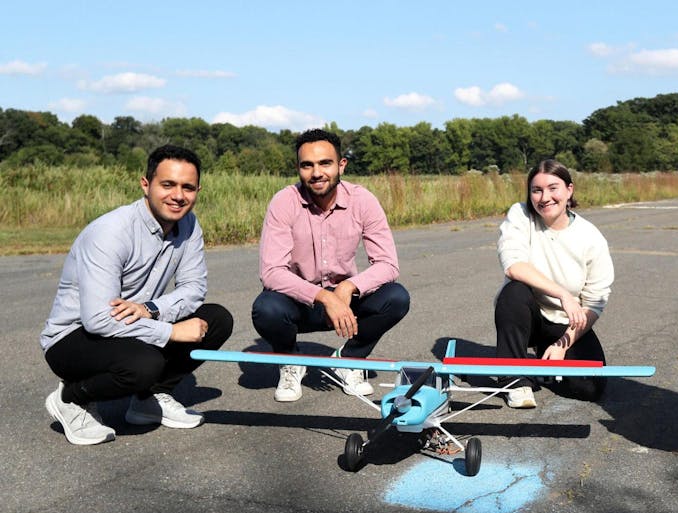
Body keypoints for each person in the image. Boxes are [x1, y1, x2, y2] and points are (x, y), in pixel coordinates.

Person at [41, 145, 234, 446]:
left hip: (130, 326)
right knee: (144, 364)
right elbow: (98, 321)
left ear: (198, 190)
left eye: (188, 187)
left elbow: (194, 288)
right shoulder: (110, 232)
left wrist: (151, 309)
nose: (178, 195)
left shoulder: (189, 224)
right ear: (146, 184)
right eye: (167, 184)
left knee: (216, 319)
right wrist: (171, 331)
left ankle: (148, 400)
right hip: (74, 338)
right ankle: (70, 398)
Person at [252, 129, 410, 401]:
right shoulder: (284, 202)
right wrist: (323, 296)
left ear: (341, 165)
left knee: (396, 297)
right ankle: (291, 361)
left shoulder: (363, 200)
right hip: (300, 302)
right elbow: (272, 272)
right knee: (266, 308)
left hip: (346, 301)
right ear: (298, 168)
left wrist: (348, 287)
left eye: (325, 163)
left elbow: (388, 264)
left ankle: (349, 359)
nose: (316, 173)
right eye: (307, 165)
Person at [494, 159, 615, 408]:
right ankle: (515, 380)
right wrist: (562, 294)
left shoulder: (590, 237)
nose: (544, 197)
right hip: (527, 315)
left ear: (569, 190)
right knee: (513, 292)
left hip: (565, 322)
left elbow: (594, 303)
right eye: (536, 190)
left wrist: (563, 345)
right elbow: (513, 265)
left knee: (590, 388)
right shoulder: (520, 214)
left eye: (553, 188)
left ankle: (542, 358)